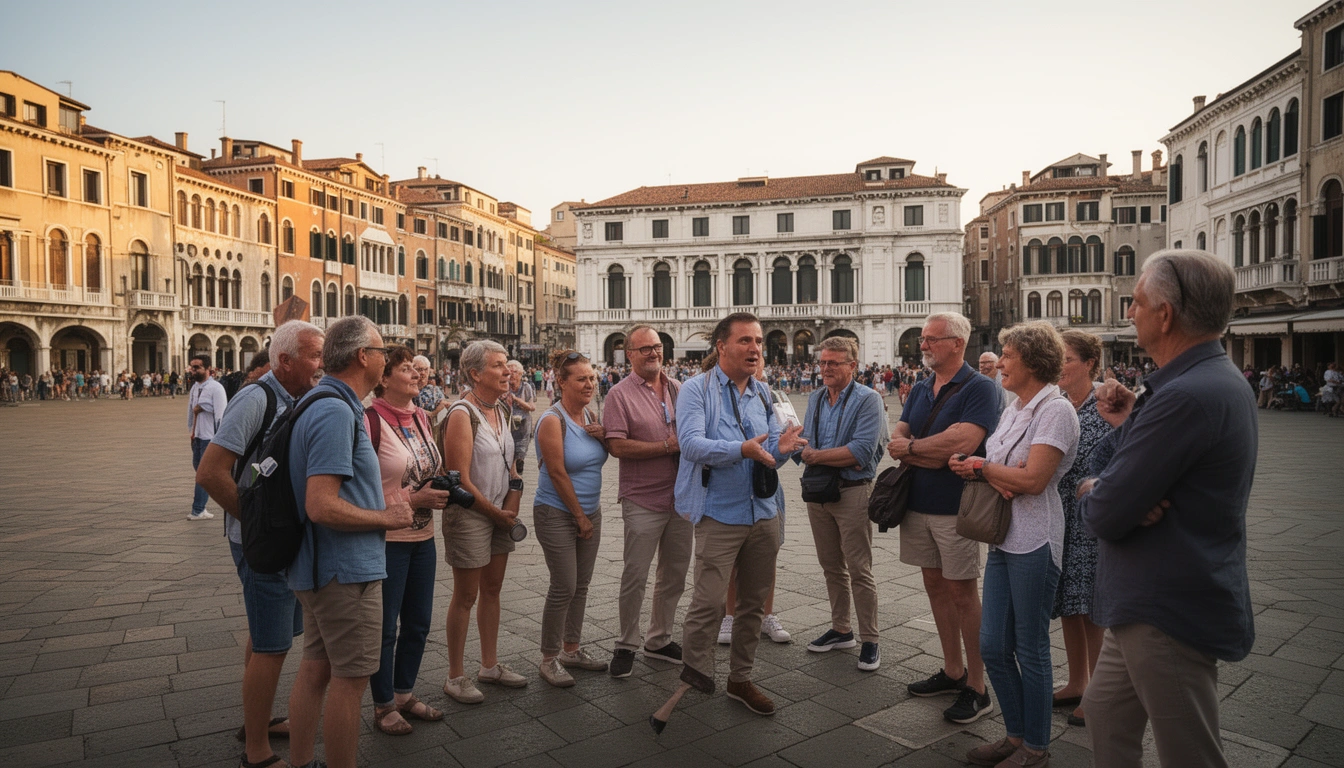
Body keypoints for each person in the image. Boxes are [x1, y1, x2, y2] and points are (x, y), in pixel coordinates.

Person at [1078, 250, 1256, 768]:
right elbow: (1132, 472)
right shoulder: (1210, 380)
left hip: (1165, 603)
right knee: (1105, 710)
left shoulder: (1185, 395)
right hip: (1154, 596)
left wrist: (1093, 488)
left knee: (1190, 752)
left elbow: (1107, 511)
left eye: (1136, 302)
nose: (1129, 312)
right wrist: (1131, 427)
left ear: (1165, 314)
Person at [285, 316, 414, 768]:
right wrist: (386, 516)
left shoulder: (320, 402)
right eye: (382, 352)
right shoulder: (336, 410)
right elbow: (321, 504)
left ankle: (302, 763)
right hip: (345, 571)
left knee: (316, 670)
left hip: (319, 566)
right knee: (351, 680)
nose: (385, 359)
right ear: (364, 357)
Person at [950, 322, 1079, 768]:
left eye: (1006, 355)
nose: (999, 362)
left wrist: (986, 468)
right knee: (991, 646)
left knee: (1030, 647)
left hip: (1036, 541)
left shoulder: (1055, 411)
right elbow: (1008, 468)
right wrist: (979, 467)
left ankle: (1036, 747)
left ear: (1032, 359)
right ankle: (1015, 734)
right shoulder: (1015, 407)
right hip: (1004, 537)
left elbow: (1033, 479)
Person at [196, 321, 324, 768]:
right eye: (314, 355)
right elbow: (211, 472)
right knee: (272, 646)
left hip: (280, 538)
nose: (322, 363)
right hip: (262, 542)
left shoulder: (299, 398)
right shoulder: (257, 398)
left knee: (266, 635)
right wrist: (256, 526)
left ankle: (260, 720)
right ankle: (256, 751)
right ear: (284, 360)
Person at [674, 313, 807, 716]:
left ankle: (740, 678)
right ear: (721, 347)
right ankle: (695, 673)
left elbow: (769, 460)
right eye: (746, 341)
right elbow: (692, 445)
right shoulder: (696, 390)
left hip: (764, 512)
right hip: (719, 512)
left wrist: (782, 450)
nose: (755, 349)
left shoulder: (765, 393)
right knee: (709, 602)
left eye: (759, 342)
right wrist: (740, 450)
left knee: (753, 604)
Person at [886, 312, 1001, 724]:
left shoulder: (981, 388)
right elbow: (897, 432)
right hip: (917, 503)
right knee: (934, 586)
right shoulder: (920, 387)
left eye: (932, 339)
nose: (923, 345)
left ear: (957, 343)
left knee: (963, 594)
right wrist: (919, 448)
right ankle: (953, 669)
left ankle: (978, 685)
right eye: (922, 339)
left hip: (958, 508)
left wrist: (913, 449)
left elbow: (964, 441)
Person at [367, 346, 449, 736]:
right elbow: (357, 492)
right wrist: (412, 499)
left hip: (424, 535)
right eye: (406, 369)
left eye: (417, 369)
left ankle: (404, 693)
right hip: (387, 539)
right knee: (385, 628)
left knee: (418, 622)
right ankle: (383, 705)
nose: (417, 374)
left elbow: (427, 465)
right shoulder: (369, 421)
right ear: (383, 379)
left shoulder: (420, 416)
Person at [440, 340, 526, 703]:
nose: (508, 371)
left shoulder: (502, 410)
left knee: (492, 591)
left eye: (507, 365)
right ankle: (455, 675)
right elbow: (458, 480)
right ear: (475, 374)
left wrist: (513, 502)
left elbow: (512, 466)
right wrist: (497, 514)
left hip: (499, 511)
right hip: (471, 515)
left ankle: (489, 665)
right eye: (498, 365)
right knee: (466, 596)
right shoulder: (462, 414)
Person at [603, 325, 691, 678]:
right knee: (635, 575)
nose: (653, 353)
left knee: (674, 575)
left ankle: (659, 638)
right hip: (642, 498)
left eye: (656, 347)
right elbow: (617, 446)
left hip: (681, 497)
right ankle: (626, 643)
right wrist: (667, 447)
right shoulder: (618, 395)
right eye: (645, 349)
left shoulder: (678, 389)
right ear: (630, 355)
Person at [797, 336, 887, 671]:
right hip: (819, 492)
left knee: (859, 568)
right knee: (831, 566)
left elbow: (860, 453)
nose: (825, 369)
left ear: (852, 365)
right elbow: (805, 440)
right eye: (822, 363)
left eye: (833, 363)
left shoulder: (869, 399)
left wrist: (814, 455)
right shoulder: (818, 397)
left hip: (852, 493)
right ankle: (841, 629)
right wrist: (805, 449)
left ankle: (871, 639)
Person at [533, 350, 610, 686]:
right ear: (561, 382)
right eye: (581, 379)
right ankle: (549, 658)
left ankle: (571, 649)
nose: (590, 383)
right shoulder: (553, 420)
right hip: (557, 512)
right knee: (564, 585)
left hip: (590, 511)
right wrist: (580, 516)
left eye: (592, 377)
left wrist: (604, 436)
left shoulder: (589, 416)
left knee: (581, 585)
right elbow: (558, 473)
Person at [1048, 330, 1110, 728]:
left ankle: (1101, 694)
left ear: (1089, 363)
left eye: (1066, 359)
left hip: (1095, 518)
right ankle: (1077, 680)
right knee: (1069, 603)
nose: (1059, 368)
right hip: (1060, 515)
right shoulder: (1056, 403)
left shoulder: (1108, 404)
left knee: (1093, 607)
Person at [187, 354, 228, 522]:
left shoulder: (216, 388)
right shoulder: (195, 387)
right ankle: (203, 506)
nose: (193, 370)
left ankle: (198, 509)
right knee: (200, 471)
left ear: (208, 369)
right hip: (197, 436)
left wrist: (220, 438)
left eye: (197, 367)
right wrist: (191, 430)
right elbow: (190, 411)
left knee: (203, 474)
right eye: (192, 367)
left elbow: (221, 414)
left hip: (210, 437)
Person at [505, 360, 538, 474]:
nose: (511, 374)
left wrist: (516, 399)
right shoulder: (503, 386)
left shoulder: (526, 387)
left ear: (520, 374)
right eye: (509, 372)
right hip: (507, 426)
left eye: (514, 372)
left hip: (523, 427)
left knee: (519, 458)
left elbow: (532, 407)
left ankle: (517, 480)